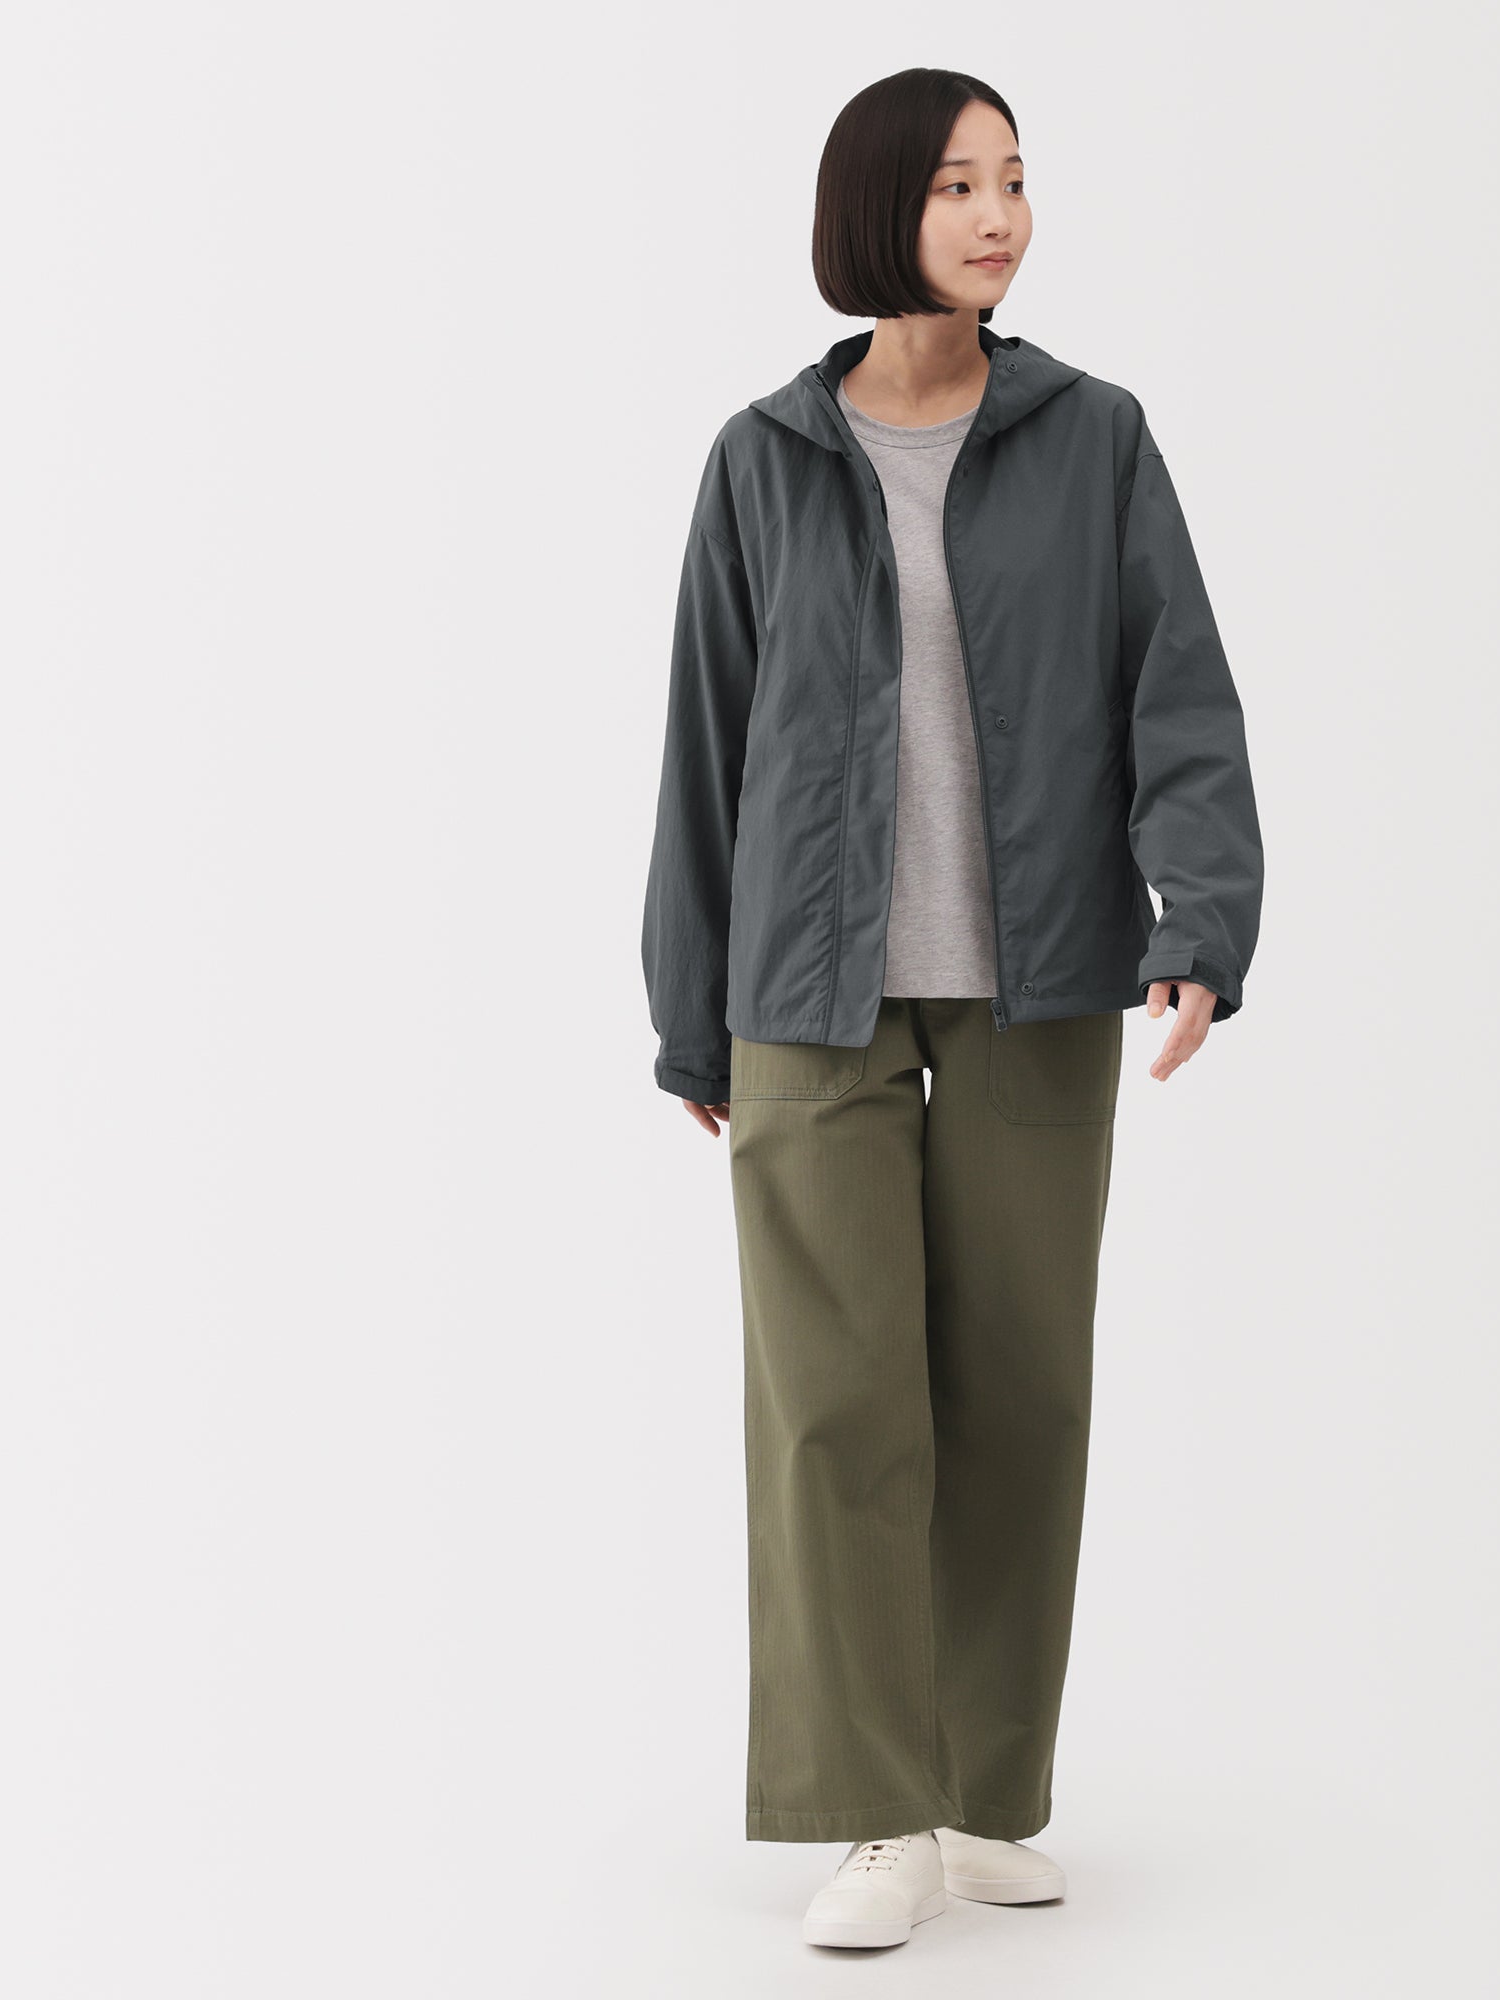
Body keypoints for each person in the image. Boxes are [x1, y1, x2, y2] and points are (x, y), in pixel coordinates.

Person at [640, 67, 1264, 1951]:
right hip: (808, 991)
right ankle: (871, 1812)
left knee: (1018, 1393)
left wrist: (1202, 919)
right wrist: (690, 1012)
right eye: (956, 187)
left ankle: (981, 1786)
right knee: (834, 1412)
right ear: (876, 213)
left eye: (1014, 181)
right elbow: (707, 745)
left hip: (1040, 976)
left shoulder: (1096, 438)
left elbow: (1177, 689)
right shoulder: (764, 457)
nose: (999, 217)